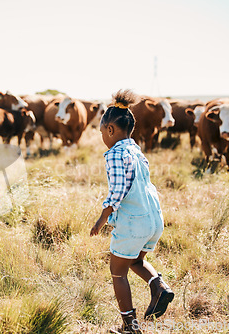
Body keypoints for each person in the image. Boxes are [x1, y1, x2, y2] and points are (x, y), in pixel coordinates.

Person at [90, 90, 174, 334]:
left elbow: (117, 191)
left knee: (117, 272)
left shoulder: (115, 153)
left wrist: (101, 219)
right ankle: (159, 286)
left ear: (110, 130)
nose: (102, 138)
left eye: (101, 132)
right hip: (153, 218)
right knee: (136, 260)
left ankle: (130, 326)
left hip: (134, 221)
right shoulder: (136, 150)